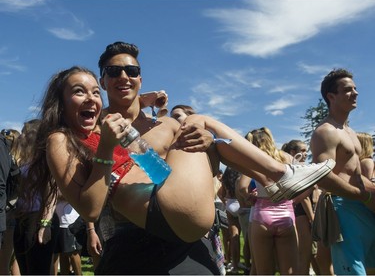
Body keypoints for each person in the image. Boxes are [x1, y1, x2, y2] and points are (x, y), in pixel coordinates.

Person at [25, 59, 336, 274]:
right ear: (61, 102)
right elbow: (90, 209)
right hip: (163, 212)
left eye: (95, 91)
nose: (91, 97)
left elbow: (153, 160)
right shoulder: (60, 139)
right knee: (195, 120)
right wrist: (108, 147)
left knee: (199, 135)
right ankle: (281, 174)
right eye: (79, 91)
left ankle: (277, 178)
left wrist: (146, 106)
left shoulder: (101, 130)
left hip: (170, 206)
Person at [311, 68, 375, 275]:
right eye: (348, 90)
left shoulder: (350, 131)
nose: (355, 93)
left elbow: (356, 173)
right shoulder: (325, 131)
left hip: (363, 205)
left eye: (355, 88)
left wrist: (368, 191)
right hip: (343, 206)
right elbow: (322, 176)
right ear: (331, 96)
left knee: (370, 266)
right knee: (352, 270)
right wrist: (359, 194)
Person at [247, 127, 298, 275]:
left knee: (264, 272)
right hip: (286, 213)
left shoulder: (252, 159)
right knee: (290, 272)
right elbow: (304, 186)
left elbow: (242, 186)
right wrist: (292, 201)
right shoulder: (287, 157)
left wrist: (249, 196)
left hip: (262, 214)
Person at [13, 119, 59, 275]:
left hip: (40, 217)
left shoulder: (46, 160)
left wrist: (45, 224)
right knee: (25, 269)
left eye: (26, 132)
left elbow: (51, 194)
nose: (22, 135)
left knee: (37, 270)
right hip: (23, 217)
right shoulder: (23, 160)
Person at [282, 139, 318, 275]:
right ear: (293, 152)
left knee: (308, 253)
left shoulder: (290, 168)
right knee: (305, 253)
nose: (306, 153)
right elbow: (304, 199)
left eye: (306, 150)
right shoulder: (297, 168)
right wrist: (312, 217)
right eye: (302, 151)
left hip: (298, 212)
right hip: (302, 214)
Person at [0, 129, 21, 275]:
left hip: (6, 212)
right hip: (12, 212)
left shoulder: (7, 160)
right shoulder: (18, 163)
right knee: (8, 262)